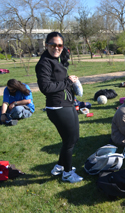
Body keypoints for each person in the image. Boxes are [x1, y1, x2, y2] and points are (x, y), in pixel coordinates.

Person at [36, 31, 83, 183]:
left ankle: (59, 167)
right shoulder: (44, 63)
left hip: (67, 104)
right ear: (46, 45)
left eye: (60, 45)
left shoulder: (55, 60)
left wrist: (71, 82)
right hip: (57, 107)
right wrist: (68, 82)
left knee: (72, 139)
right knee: (70, 141)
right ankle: (67, 174)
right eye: (53, 45)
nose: (57, 48)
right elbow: (46, 88)